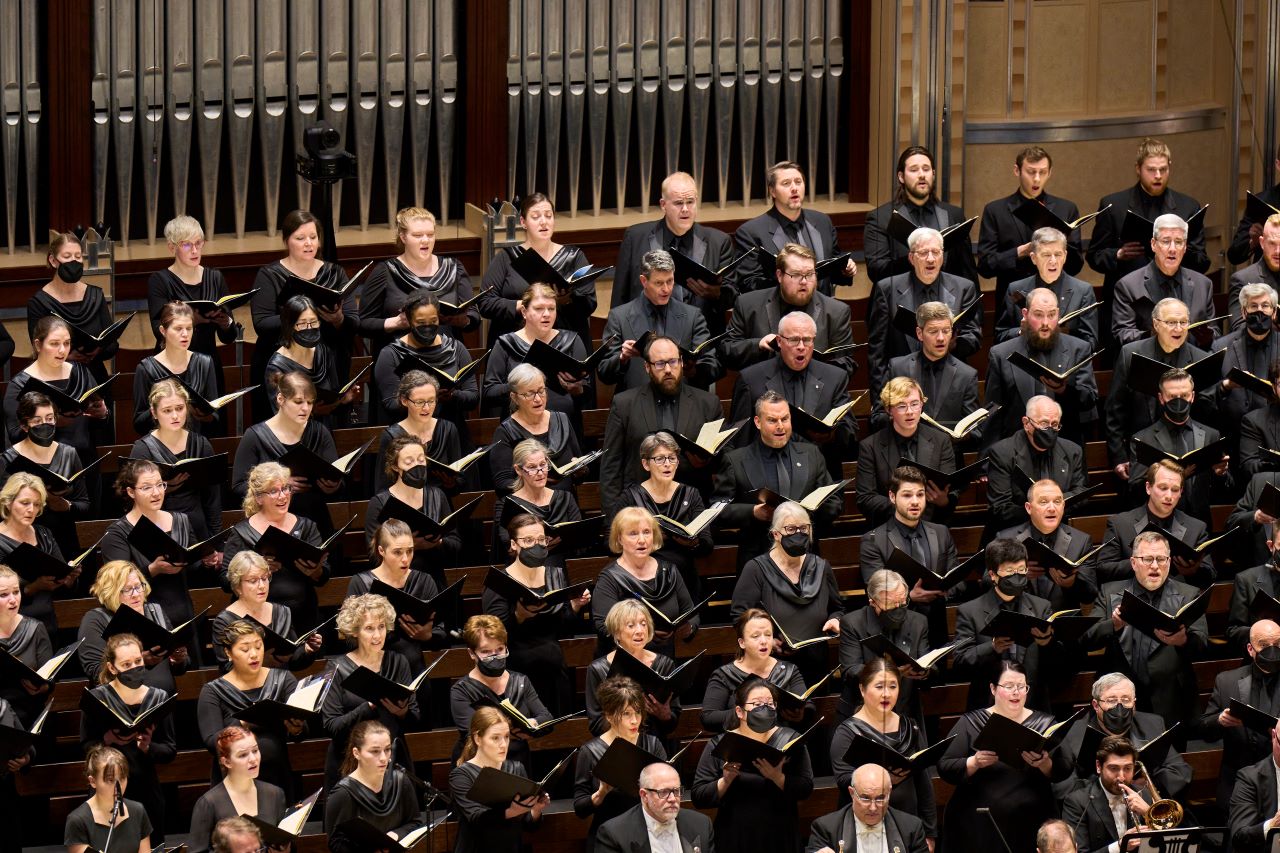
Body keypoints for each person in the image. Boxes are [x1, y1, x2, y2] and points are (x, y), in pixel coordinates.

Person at [938, 661, 1071, 853]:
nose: (1016, 692)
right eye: (1008, 687)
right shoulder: (971, 722)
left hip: (1033, 820)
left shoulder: (1045, 722)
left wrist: (1045, 764)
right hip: (982, 822)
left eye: (1021, 687)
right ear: (993, 689)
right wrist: (974, 762)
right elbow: (945, 765)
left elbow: (1066, 766)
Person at [1082, 531, 1209, 731]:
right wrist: (1113, 624)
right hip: (1118, 705)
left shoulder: (1189, 594)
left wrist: (1182, 641)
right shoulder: (1109, 592)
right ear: (1133, 563)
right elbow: (1086, 638)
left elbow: (1202, 645)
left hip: (1171, 702)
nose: (1155, 566)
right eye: (1148, 559)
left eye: (1161, 559)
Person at [249, 210, 358, 421]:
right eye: (300, 238)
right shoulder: (269, 274)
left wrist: (338, 320)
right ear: (286, 241)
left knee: (327, 426)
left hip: (327, 364)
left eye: (313, 237)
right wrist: (302, 315)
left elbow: (353, 322)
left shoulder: (334, 273)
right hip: (283, 363)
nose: (308, 243)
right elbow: (262, 323)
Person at [599, 339, 723, 518]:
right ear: (647, 367)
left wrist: (706, 460)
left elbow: (723, 463)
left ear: (681, 362)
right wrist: (613, 524)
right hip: (640, 513)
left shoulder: (708, 404)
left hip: (692, 513)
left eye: (673, 362)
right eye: (659, 364)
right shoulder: (624, 404)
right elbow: (611, 467)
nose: (667, 370)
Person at [715, 391, 843, 563]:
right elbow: (718, 509)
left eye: (785, 419)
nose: (780, 426)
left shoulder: (811, 454)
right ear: (758, 422)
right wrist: (753, 512)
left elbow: (833, 503)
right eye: (772, 420)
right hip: (757, 557)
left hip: (805, 555)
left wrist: (804, 513)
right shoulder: (735, 460)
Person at [484, 513, 591, 716]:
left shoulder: (555, 574)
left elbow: (562, 626)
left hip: (555, 670)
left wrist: (575, 606)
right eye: (529, 540)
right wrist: (519, 616)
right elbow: (492, 635)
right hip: (517, 674)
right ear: (514, 544)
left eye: (541, 539)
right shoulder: (499, 582)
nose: (537, 545)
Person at [691, 679, 815, 853]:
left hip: (780, 834)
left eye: (770, 704)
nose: (765, 708)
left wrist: (777, 777)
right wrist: (725, 781)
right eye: (757, 704)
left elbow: (806, 788)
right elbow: (699, 796)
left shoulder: (791, 739)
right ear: (740, 711)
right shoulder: (721, 744)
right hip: (735, 834)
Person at [99, 459, 208, 656]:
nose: (157, 493)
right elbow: (115, 584)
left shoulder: (181, 521)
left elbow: (193, 568)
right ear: (131, 492)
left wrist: (207, 562)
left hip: (184, 614)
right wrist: (153, 570)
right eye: (147, 487)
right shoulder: (117, 533)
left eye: (160, 485)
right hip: (147, 622)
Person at [730, 310, 857, 477]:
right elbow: (739, 442)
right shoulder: (751, 379)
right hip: (766, 478)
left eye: (807, 340)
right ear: (780, 341)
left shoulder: (834, 378)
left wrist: (831, 435)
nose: (801, 347)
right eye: (794, 340)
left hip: (819, 478)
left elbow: (851, 434)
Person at [79, 633, 177, 843]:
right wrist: (106, 741)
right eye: (126, 664)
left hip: (147, 790)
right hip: (107, 791)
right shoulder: (97, 699)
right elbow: (85, 746)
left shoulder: (158, 697)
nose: (134, 667)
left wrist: (148, 747)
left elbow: (169, 749)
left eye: (138, 661)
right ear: (113, 668)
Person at [730, 502, 842, 683]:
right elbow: (739, 616)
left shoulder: (822, 567)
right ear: (776, 534)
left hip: (816, 663)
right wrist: (767, 640)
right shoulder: (756, 569)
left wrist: (835, 619)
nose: (798, 534)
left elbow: (837, 609)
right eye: (790, 529)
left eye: (803, 529)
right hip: (772, 666)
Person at [612, 170, 737, 333]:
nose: (685, 209)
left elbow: (733, 297)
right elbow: (619, 297)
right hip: (646, 338)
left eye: (690, 202)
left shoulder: (719, 241)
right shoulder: (635, 237)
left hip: (700, 340)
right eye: (678, 203)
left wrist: (715, 294)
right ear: (663, 205)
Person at [1086, 138, 1211, 299]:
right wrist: (1118, 254)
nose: (1158, 176)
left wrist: (1177, 250)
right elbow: (1094, 256)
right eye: (1151, 170)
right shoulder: (1114, 206)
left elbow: (1202, 262)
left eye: (1163, 169)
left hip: (1174, 298)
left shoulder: (1188, 207)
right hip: (1128, 299)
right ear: (1138, 169)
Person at [829, 661, 937, 842]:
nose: (886, 694)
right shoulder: (847, 731)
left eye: (893, 686)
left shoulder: (910, 726)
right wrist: (884, 780)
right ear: (862, 690)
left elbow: (923, 782)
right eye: (879, 686)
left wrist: (930, 832)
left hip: (908, 823)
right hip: (864, 825)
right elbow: (843, 779)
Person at [320, 594, 420, 790]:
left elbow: (415, 718)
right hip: (350, 763)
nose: (377, 635)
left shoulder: (398, 662)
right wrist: (368, 706)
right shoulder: (336, 668)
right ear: (355, 631)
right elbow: (331, 726)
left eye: (381, 627)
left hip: (390, 761)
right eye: (369, 628)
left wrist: (402, 712)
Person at [866, 226, 983, 393]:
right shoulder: (887, 289)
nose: (930, 259)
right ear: (912, 258)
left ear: (942, 256)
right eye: (923, 253)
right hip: (902, 388)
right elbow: (877, 351)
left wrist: (950, 343)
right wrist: (880, 402)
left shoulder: (963, 288)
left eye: (936, 252)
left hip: (949, 385)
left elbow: (974, 337)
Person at [1105, 297, 1212, 479]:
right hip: (1141, 454)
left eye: (1183, 322)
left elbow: (1206, 412)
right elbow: (1115, 409)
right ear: (1156, 324)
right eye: (1171, 322)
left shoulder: (1201, 359)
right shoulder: (1131, 354)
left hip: (1186, 454)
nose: (1178, 328)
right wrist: (1119, 456)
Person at [196, 620, 304, 796]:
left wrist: (297, 729)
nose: (254, 654)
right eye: (245, 649)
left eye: (258, 646)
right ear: (228, 652)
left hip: (277, 776)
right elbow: (211, 741)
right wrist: (245, 722)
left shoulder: (283, 680)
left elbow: (303, 731)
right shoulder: (213, 691)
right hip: (234, 782)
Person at [346, 519, 445, 706]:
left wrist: (428, 636)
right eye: (397, 552)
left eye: (410, 551)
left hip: (416, 671)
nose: (406, 558)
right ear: (381, 551)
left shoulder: (425, 581)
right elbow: (348, 636)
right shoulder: (361, 583)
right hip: (376, 674)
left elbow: (443, 630)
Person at [954, 539, 1063, 710]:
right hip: (988, 704)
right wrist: (991, 647)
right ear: (992, 575)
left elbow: (1056, 663)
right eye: (1010, 571)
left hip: (1033, 703)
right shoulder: (970, 611)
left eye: (1021, 570)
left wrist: (1047, 643)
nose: (1017, 576)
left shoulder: (1042, 607)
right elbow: (960, 661)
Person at [479, 192, 596, 346]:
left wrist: (567, 300)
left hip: (564, 344)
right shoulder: (506, 257)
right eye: (535, 217)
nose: (543, 222)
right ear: (523, 222)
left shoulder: (574, 257)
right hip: (517, 344)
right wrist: (525, 305)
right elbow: (485, 303)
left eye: (548, 216)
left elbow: (590, 303)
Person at [984, 287, 1099, 444]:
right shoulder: (1000, 354)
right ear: (1025, 314)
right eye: (1038, 315)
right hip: (1017, 449)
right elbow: (993, 416)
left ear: (1058, 314)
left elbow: (1089, 399)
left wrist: (1064, 390)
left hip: (1066, 449)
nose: (1045, 323)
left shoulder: (1079, 349)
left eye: (1051, 315)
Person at [221, 461, 328, 629]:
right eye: (273, 491)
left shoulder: (307, 527)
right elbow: (225, 581)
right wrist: (256, 570)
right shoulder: (241, 533)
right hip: (257, 620)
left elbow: (323, 577)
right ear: (258, 497)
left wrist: (315, 570)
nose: (282, 496)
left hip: (302, 616)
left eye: (285, 488)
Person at [720, 243, 855, 376]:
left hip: (816, 392)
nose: (804, 281)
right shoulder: (748, 304)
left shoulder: (837, 311)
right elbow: (726, 351)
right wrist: (758, 345)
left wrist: (815, 372)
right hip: (763, 391)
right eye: (796, 274)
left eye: (809, 274)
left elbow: (847, 364)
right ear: (779, 275)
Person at [357, 206, 476, 357]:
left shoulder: (454, 267)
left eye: (430, 234)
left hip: (446, 355)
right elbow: (363, 324)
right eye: (418, 235)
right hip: (399, 357)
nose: (425, 240)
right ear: (403, 237)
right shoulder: (385, 271)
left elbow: (474, 316)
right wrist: (396, 322)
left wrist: (462, 320)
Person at [232, 371, 340, 535]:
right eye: (298, 402)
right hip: (271, 525)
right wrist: (278, 485)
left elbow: (339, 481)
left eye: (310, 403)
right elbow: (238, 486)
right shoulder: (255, 436)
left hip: (314, 521)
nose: (305, 408)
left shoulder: (320, 432)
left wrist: (333, 486)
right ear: (281, 399)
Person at [1057, 673, 1191, 801]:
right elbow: (1062, 785)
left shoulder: (1152, 724)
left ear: (1134, 703)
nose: (1119, 707)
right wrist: (1107, 791)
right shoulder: (1075, 731)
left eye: (1126, 700)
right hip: (1095, 809)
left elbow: (1180, 770)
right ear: (1096, 705)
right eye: (1111, 700)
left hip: (1143, 803)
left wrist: (1143, 789)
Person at [598, 249, 718, 391]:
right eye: (659, 283)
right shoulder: (619, 317)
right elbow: (604, 373)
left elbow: (712, 366)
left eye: (670, 281)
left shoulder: (693, 316)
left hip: (682, 402)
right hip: (638, 404)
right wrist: (622, 359)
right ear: (644, 281)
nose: (666, 289)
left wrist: (691, 370)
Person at [977, 146, 1085, 305]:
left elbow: (1076, 266)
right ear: (1017, 170)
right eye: (1031, 172)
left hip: (1057, 300)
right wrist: (1020, 251)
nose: (1036, 179)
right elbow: (985, 266)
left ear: (1049, 172)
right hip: (1013, 301)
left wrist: (1061, 244)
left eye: (1042, 172)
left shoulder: (1067, 209)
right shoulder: (995, 210)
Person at [574, 677, 670, 853]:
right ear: (610, 716)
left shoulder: (653, 744)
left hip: (648, 836)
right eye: (626, 713)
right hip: (608, 837)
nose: (635, 720)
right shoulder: (590, 751)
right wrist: (600, 794)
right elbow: (580, 807)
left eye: (638, 712)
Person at [732, 160, 854, 295]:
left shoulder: (822, 222)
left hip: (821, 309)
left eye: (798, 182)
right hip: (781, 312)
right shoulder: (751, 232)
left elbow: (833, 271)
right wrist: (788, 284)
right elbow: (748, 283)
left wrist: (845, 270)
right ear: (772, 191)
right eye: (786, 183)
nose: (794, 188)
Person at [863, 145, 979, 285]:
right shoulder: (881, 218)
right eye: (914, 170)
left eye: (926, 169)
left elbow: (967, 272)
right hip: (899, 300)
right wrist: (916, 257)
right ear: (901, 177)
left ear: (933, 174)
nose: (922, 174)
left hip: (945, 302)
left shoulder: (954, 214)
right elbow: (876, 272)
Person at [617, 432, 716, 595]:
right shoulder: (630, 497)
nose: (667, 464)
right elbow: (610, 542)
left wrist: (691, 543)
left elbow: (707, 545)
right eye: (660, 458)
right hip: (642, 579)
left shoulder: (691, 494)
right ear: (646, 464)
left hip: (684, 578)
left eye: (672, 458)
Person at [591, 508, 698, 659]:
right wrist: (647, 633)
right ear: (620, 539)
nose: (642, 540)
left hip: (663, 660)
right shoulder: (610, 577)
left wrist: (688, 629)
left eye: (647, 532)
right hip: (624, 663)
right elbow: (604, 627)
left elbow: (690, 613)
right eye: (633, 533)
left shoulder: (669, 571)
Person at [2, 315, 109, 466]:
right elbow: (14, 434)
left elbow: (98, 426)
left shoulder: (81, 372)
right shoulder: (20, 383)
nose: (62, 350)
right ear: (38, 345)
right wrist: (52, 422)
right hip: (43, 465)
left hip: (84, 460)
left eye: (67, 343)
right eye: (54, 344)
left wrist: (102, 414)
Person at [869, 301, 984, 441]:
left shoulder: (967, 374)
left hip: (948, 455)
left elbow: (976, 431)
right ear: (920, 333)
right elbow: (878, 416)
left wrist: (961, 435)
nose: (941, 338)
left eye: (946, 331)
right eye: (933, 331)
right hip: (905, 452)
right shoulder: (898, 367)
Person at [449, 614, 550, 770]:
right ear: (471, 653)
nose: (495, 656)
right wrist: (513, 729)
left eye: (500, 649)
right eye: (486, 652)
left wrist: (533, 723)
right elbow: (473, 733)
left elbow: (546, 718)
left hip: (518, 762)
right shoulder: (461, 690)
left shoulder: (520, 680)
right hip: (479, 767)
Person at [482, 283, 594, 422]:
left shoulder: (572, 340)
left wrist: (578, 389)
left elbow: (587, 392)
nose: (546, 314)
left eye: (551, 309)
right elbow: (489, 392)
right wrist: (520, 386)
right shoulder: (505, 344)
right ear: (524, 312)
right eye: (539, 308)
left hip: (565, 425)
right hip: (520, 427)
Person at [1127, 368, 1230, 518]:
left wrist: (1221, 473)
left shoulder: (1210, 435)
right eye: (1172, 396)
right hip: (1159, 521)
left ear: (1193, 396)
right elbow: (1135, 489)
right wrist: (1175, 476)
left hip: (1200, 522)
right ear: (1161, 398)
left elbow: (1223, 489)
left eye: (1184, 395)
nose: (1179, 400)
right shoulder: (1142, 439)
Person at [1094, 461, 1216, 586]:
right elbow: (1103, 570)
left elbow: (1210, 575)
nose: (1169, 496)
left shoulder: (1196, 528)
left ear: (1181, 492)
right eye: (1163, 488)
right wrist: (1141, 562)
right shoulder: (1120, 524)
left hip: (1176, 601)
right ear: (1148, 488)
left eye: (1175, 490)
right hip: (1134, 599)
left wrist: (1192, 572)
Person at [371, 289, 478, 431]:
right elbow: (390, 404)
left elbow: (473, 396)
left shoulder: (456, 348)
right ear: (409, 321)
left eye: (433, 321)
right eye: (421, 322)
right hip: (409, 436)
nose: (428, 327)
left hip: (451, 429)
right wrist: (425, 398)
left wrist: (452, 395)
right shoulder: (391, 354)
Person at [129, 378, 222, 540]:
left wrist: (216, 542)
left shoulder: (202, 444)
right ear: (154, 413)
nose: (175, 416)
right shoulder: (142, 449)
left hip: (198, 528)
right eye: (167, 410)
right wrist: (163, 489)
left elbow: (212, 499)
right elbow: (131, 500)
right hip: (159, 530)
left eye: (180, 408)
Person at [76, 560, 189, 694]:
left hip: (163, 701)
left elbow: (180, 668)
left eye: (138, 586)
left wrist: (178, 659)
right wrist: (139, 662)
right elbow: (97, 673)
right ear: (110, 592)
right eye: (127, 590)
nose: (135, 594)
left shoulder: (154, 610)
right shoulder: (96, 619)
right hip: (124, 706)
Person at [856, 379, 957, 527]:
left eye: (915, 404)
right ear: (889, 409)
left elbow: (951, 491)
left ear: (922, 405)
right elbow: (865, 498)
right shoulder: (870, 446)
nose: (910, 411)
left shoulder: (941, 441)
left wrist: (944, 500)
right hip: (889, 528)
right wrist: (904, 506)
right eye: (902, 406)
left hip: (933, 526)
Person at [1202, 619, 1280, 810]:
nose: (1271, 650)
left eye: (1277, 645)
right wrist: (1220, 720)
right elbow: (1205, 729)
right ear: (1250, 649)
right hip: (1237, 780)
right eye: (1263, 645)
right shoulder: (1227, 681)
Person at [0, 390, 89, 556]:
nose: (45, 424)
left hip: (64, 536)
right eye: (37, 421)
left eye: (50, 418)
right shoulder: (8, 459)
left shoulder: (69, 454)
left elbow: (84, 505)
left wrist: (66, 505)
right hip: (24, 540)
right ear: (24, 426)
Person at [448, 707, 548, 853]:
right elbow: (477, 817)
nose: (503, 744)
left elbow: (528, 824)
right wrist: (511, 812)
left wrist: (536, 810)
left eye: (506, 737)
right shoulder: (461, 775)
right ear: (478, 739)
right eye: (495, 738)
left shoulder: (517, 768)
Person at [365, 436, 462, 585]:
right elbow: (374, 555)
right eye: (409, 462)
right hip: (397, 583)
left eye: (421, 460)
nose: (417, 465)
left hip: (434, 579)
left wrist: (438, 542)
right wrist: (411, 546)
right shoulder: (379, 503)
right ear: (395, 466)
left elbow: (455, 543)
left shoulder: (437, 495)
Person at [837, 569, 932, 720]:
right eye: (891, 604)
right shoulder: (853, 623)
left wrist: (924, 671)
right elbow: (851, 670)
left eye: (902, 602)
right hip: (862, 711)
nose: (898, 608)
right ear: (872, 601)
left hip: (906, 712)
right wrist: (891, 671)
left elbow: (929, 663)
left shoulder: (918, 622)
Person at [1112, 213, 1218, 347]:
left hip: (1191, 362)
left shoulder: (1204, 284)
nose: (1173, 249)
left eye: (1178, 242)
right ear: (1153, 244)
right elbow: (1122, 334)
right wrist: (1158, 335)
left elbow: (1215, 332)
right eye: (1166, 241)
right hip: (1149, 363)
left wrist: (1206, 336)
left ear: (1185, 247)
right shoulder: (1128, 286)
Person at [28, 232, 117, 390]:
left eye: (78, 256)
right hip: (58, 382)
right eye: (67, 256)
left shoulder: (96, 295)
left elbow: (112, 344)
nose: (74, 261)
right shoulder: (39, 302)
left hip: (95, 379)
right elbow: (39, 349)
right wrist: (67, 356)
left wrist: (96, 351)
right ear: (53, 260)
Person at [146, 216, 241, 364]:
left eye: (198, 243)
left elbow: (228, 338)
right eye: (186, 245)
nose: (195, 250)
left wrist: (226, 324)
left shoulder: (215, 278)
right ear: (172, 247)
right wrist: (192, 321)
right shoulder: (159, 281)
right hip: (172, 363)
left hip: (208, 361)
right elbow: (158, 331)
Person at [986, 395, 1089, 531]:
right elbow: (1000, 506)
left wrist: (1048, 503)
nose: (1050, 430)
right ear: (1027, 423)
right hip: (1015, 530)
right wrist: (1038, 511)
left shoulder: (1072, 451)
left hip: (1058, 528)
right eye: (1044, 424)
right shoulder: (1002, 453)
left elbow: (1081, 493)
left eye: (1055, 424)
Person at [583, 600, 682, 741]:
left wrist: (665, 715)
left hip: (656, 743)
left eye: (643, 624)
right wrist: (625, 718)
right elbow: (596, 724)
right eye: (631, 625)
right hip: (618, 747)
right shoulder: (598, 669)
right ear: (616, 632)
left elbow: (673, 720)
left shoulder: (665, 664)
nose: (640, 631)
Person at [323, 720, 426, 853]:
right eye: (375, 751)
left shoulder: (401, 781)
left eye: (387, 749)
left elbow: (415, 822)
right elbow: (335, 843)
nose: (384, 758)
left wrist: (395, 835)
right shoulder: (343, 793)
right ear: (356, 753)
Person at [702, 607, 811, 732]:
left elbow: (808, 706)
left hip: (781, 741)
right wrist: (747, 713)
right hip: (742, 743)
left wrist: (801, 714)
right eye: (755, 636)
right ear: (742, 642)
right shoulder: (724, 675)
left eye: (768, 635)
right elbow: (708, 718)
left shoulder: (789, 670)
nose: (764, 641)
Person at [997, 478, 1100, 611]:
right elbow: (987, 583)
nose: (1052, 508)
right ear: (1029, 508)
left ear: (1063, 506)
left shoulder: (1081, 541)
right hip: (1019, 624)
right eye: (1043, 502)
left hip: (1064, 625)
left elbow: (1091, 594)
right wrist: (1016, 576)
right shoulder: (1005, 538)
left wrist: (1072, 583)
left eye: (1057, 502)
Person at [211, 550, 322, 672]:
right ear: (237, 586)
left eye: (264, 578)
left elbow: (292, 661)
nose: (262, 586)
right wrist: (262, 662)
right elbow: (226, 668)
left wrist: (307, 650)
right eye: (253, 581)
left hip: (281, 684)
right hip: (246, 690)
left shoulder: (281, 612)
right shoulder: (224, 621)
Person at [486, 365, 585, 495]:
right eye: (529, 394)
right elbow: (502, 484)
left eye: (541, 391)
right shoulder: (505, 431)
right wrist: (533, 480)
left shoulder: (562, 419)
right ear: (514, 397)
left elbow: (580, 468)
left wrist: (580, 471)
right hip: (528, 510)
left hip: (564, 503)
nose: (538, 399)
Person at [996, 226, 1100, 351]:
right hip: (1026, 363)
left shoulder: (1083, 291)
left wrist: (1059, 333)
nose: (1053, 261)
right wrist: (1021, 332)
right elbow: (1000, 336)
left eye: (1058, 254)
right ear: (1034, 258)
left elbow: (1091, 343)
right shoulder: (1015, 289)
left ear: (1065, 256)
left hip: (1066, 363)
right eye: (1046, 255)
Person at [187, 726, 287, 853]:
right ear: (227, 762)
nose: (253, 759)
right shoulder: (208, 803)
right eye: (243, 755)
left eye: (255, 751)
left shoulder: (275, 794)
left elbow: (285, 844)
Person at [263, 294, 361, 422]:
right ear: (290, 326)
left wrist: (342, 400)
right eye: (302, 324)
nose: (309, 328)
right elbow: (281, 415)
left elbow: (333, 398)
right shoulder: (276, 366)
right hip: (295, 435)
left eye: (313, 322)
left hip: (325, 429)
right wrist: (313, 411)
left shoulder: (323, 351)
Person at [0, 472, 74, 636]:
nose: (31, 510)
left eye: (37, 504)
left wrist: (69, 577)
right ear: (8, 502)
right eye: (25, 503)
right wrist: (33, 587)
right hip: (11, 628)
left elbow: (61, 580)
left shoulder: (44, 534)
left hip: (47, 622)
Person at [130, 301, 219, 437]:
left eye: (189, 328)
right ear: (163, 331)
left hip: (195, 442)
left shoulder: (205, 363)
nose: (185, 334)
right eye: (178, 329)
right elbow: (139, 424)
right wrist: (161, 406)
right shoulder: (146, 368)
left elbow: (215, 418)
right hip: (159, 447)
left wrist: (204, 415)